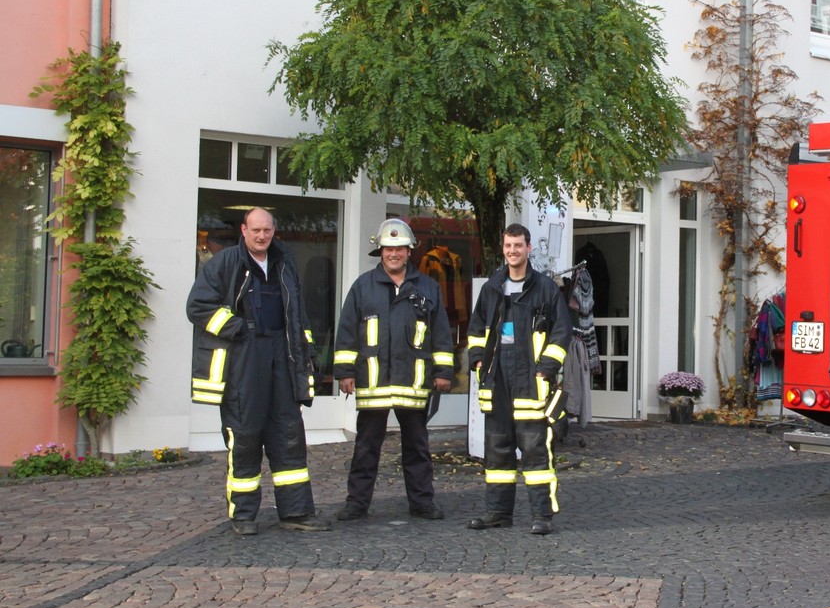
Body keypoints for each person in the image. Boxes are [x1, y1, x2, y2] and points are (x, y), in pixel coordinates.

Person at [187, 207, 332, 536]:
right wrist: (235, 327)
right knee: (245, 436)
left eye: (267, 230)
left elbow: (298, 315)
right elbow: (197, 305)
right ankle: (244, 515)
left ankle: (295, 511)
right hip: (243, 358)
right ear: (244, 230)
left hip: (282, 355)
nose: (262, 236)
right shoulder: (226, 263)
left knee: (288, 434)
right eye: (256, 230)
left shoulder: (285, 262)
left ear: (273, 231)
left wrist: (305, 352)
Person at [332, 219, 455, 521]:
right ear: (380, 251)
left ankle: (422, 503)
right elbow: (347, 332)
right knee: (365, 448)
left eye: (399, 248)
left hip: (412, 384)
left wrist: (443, 372)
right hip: (373, 384)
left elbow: (440, 333)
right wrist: (345, 371)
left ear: (409, 251)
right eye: (388, 249)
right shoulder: (362, 287)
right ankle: (356, 504)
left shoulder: (428, 288)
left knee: (417, 447)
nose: (394, 254)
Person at [466, 223, 572, 535]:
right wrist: (478, 362)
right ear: (503, 248)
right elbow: (475, 331)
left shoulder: (544, 288)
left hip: (531, 379)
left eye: (518, 245)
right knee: (497, 449)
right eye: (508, 245)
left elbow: (562, 332)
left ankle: (542, 515)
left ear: (528, 249)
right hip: (497, 380)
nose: (513, 251)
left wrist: (547, 368)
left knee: (535, 450)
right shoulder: (492, 288)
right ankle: (498, 512)